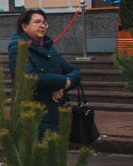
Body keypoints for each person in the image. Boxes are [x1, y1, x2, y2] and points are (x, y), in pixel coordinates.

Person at [8, 8, 80, 137]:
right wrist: (63, 81)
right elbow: (29, 77)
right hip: (31, 116)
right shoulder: (18, 48)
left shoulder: (48, 48)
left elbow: (74, 71)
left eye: (44, 23)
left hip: (54, 115)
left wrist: (63, 86)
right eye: (37, 22)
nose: (42, 26)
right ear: (24, 26)